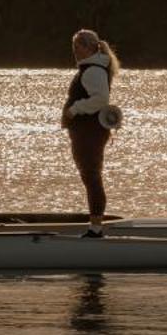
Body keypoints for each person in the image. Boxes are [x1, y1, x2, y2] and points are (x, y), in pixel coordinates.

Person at [62, 28, 120, 238]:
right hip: (86, 132)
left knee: (91, 176)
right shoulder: (91, 67)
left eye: (78, 47)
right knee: (90, 175)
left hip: (90, 132)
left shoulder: (93, 70)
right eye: (74, 47)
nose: (75, 51)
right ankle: (95, 224)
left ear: (88, 47)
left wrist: (73, 109)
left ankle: (96, 227)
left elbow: (100, 99)